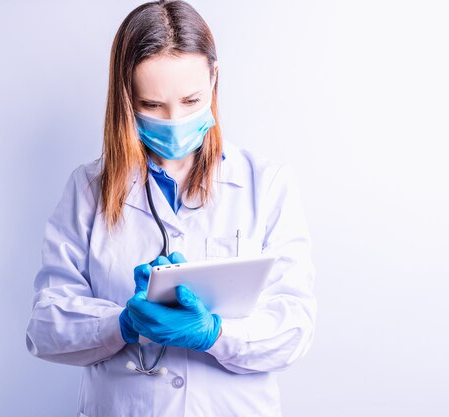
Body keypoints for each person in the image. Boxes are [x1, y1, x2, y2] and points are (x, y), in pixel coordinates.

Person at [25, 1, 317, 416]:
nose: (175, 119)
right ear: (126, 94)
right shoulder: (88, 189)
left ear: (214, 78)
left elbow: (294, 327)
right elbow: (45, 327)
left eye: (191, 99)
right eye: (152, 106)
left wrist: (214, 334)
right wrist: (122, 323)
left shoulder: (265, 185)